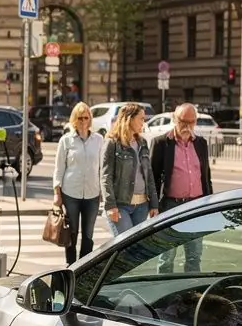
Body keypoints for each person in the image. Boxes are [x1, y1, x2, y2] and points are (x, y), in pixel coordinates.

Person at [150, 102, 212, 273]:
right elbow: (153, 178)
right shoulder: (161, 143)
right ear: (174, 119)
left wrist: (210, 204)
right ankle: (163, 295)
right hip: (171, 205)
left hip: (197, 205)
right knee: (166, 256)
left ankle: (191, 296)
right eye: (183, 121)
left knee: (194, 255)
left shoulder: (201, 143)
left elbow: (206, 177)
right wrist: (153, 206)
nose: (187, 126)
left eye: (191, 122)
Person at [53, 102, 103, 265]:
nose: (83, 121)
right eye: (80, 118)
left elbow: (103, 168)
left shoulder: (98, 140)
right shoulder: (66, 141)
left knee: (88, 234)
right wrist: (57, 194)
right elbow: (59, 169)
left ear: (90, 119)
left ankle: (83, 266)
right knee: (72, 232)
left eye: (86, 117)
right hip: (71, 193)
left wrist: (104, 192)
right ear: (74, 119)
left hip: (92, 193)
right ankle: (71, 265)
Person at [101, 102, 159, 235]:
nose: (143, 123)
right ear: (129, 119)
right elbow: (105, 176)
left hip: (142, 205)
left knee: (137, 249)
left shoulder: (142, 142)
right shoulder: (112, 143)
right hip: (120, 205)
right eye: (141, 119)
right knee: (125, 248)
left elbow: (149, 175)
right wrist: (110, 205)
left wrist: (154, 204)